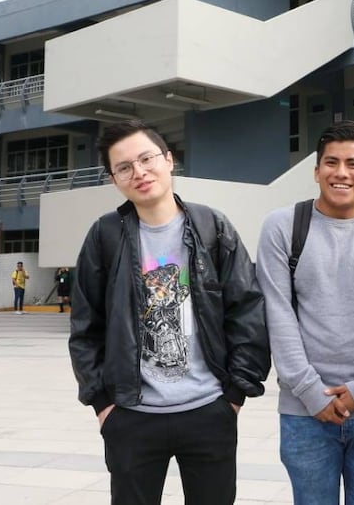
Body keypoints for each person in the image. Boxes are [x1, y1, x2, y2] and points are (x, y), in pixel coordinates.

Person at [69, 119, 269, 505]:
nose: (139, 172)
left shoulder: (212, 226)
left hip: (209, 410)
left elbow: (247, 310)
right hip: (131, 414)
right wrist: (103, 405)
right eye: (124, 167)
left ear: (169, 159)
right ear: (114, 179)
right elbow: (85, 326)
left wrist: (234, 394)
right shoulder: (105, 235)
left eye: (147, 159)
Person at [256, 120, 354, 505]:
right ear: (316, 171)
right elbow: (278, 316)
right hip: (304, 415)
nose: (341, 173)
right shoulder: (283, 227)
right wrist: (313, 393)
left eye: (352, 163)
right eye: (331, 162)